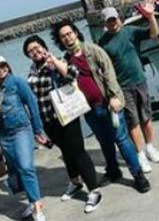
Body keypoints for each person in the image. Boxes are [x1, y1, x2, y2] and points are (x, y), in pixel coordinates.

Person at [51, 20, 151, 193]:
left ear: (75, 33)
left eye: (69, 33)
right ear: (60, 41)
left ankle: (138, 175)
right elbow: (67, 83)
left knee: (121, 139)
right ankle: (113, 171)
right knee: (104, 141)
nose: (67, 38)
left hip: (108, 104)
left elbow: (108, 73)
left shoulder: (93, 50)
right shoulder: (66, 60)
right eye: (63, 36)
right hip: (89, 110)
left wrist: (113, 96)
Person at [23, 36, 102, 213]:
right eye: (30, 52)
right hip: (48, 120)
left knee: (78, 152)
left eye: (36, 48)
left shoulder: (56, 60)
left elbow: (73, 74)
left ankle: (94, 190)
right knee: (66, 152)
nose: (34, 53)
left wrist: (55, 62)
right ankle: (75, 183)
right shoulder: (32, 70)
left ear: (43, 47)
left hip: (66, 116)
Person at [0, 56, 51, 221]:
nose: (1, 69)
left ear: (8, 66)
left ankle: (38, 210)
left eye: (3, 65)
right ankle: (30, 201)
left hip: (22, 130)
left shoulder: (17, 81)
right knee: (15, 170)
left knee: (26, 167)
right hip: (5, 135)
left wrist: (38, 130)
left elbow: (31, 103)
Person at [97, 4, 159, 172]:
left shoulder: (131, 31)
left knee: (146, 117)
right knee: (133, 121)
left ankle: (150, 147)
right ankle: (140, 154)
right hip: (122, 87)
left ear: (118, 17)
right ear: (104, 24)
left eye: (114, 19)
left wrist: (151, 17)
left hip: (140, 80)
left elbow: (154, 33)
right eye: (109, 21)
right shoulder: (103, 42)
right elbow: (102, 69)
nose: (112, 23)